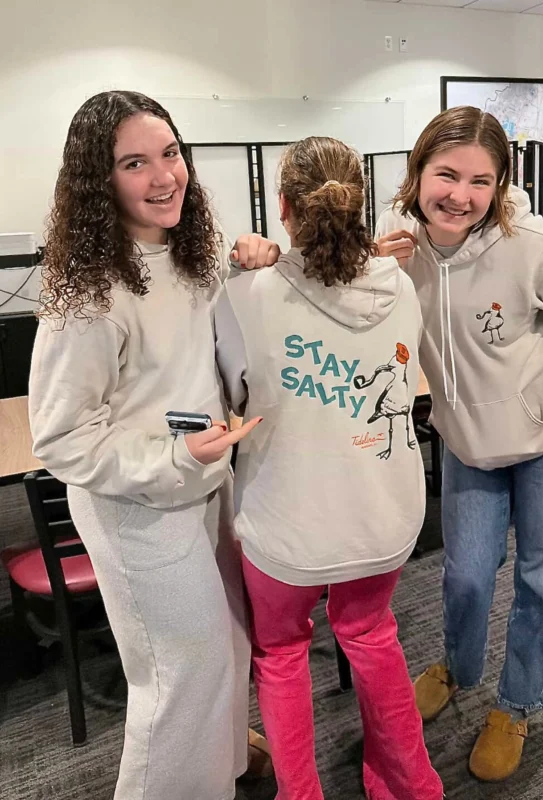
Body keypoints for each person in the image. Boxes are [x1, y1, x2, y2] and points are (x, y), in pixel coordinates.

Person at [29, 90, 279, 800]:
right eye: (134, 163)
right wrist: (174, 458)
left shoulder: (187, 255)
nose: (164, 176)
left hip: (204, 484)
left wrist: (261, 261)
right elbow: (61, 438)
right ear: (99, 181)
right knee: (179, 672)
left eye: (170, 154)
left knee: (226, 641)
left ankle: (223, 763)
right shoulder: (88, 296)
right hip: (136, 505)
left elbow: (204, 356)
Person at [376, 105, 543, 782]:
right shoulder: (395, 242)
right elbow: (338, 298)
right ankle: (457, 664)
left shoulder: (533, 241)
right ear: (418, 171)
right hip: (465, 439)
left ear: (500, 184)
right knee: (468, 574)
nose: (461, 195)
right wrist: (368, 267)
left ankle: (519, 703)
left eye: (481, 181)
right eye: (446, 174)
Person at [213, 136, 444, 800]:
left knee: (282, 656)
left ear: (283, 206)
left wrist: (259, 264)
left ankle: (302, 794)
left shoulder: (246, 295)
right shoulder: (399, 284)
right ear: (359, 207)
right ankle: (409, 784)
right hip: (383, 518)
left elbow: (230, 398)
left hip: (287, 529)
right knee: (371, 635)